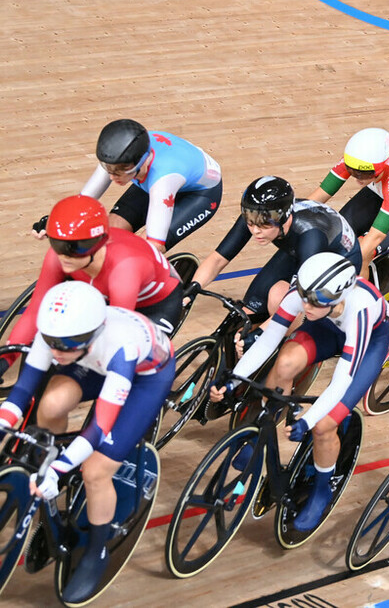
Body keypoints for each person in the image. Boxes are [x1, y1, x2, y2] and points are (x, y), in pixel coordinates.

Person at [0, 281, 174, 603]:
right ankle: (47, 512)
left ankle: (97, 550)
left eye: (63, 347)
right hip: (90, 360)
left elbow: (98, 428)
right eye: (51, 344)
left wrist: (60, 468)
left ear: (89, 337)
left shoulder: (121, 349)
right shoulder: (57, 336)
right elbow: (22, 393)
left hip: (144, 377)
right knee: (49, 405)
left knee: (95, 470)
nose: (54, 353)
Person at [210, 252, 389, 531]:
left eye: (315, 301)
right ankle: (261, 431)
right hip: (326, 326)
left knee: (324, 426)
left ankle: (321, 490)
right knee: (284, 363)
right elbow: (269, 341)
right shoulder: (306, 294)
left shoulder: (361, 310)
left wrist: (307, 420)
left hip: (367, 343)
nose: (305, 304)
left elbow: (341, 381)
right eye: (304, 297)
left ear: (339, 297)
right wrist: (235, 379)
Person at [4, 195, 182, 378]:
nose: (65, 255)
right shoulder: (58, 256)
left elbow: (114, 333)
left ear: (98, 244)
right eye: (58, 244)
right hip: (105, 292)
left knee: (123, 363)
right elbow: (35, 311)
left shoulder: (124, 269)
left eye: (77, 247)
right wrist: (6, 359)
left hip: (155, 306)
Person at [32, 119, 223, 253]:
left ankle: (161, 295)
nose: (113, 177)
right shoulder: (118, 159)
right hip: (157, 179)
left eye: (121, 172)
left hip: (200, 194)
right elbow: (83, 202)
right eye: (109, 170)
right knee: (109, 233)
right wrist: (54, 221)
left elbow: (155, 243)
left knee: (143, 249)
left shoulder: (163, 180)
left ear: (142, 162)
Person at [187, 176, 360, 321]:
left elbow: (297, 298)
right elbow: (218, 259)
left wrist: (262, 334)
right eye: (251, 223)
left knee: (279, 300)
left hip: (337, 260)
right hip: (296, 251)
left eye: (264, 225)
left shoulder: (311, 236)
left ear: (284, 218)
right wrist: (193, 288)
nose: (255, 230)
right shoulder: (256, 215)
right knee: (246, 313)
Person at [308, 128, 389, 275]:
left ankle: (362, 295)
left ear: (381, 167)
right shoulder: (355, 160)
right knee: (336, 233)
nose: (358, 179)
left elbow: (376, 236)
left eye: (364, 174)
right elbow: (316, 198)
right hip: (379, 194)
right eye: (352, 172)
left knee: (361, 254)